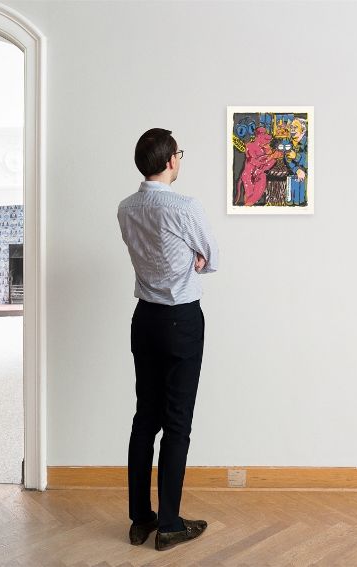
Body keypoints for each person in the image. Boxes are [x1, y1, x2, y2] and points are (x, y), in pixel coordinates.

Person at [117, 127, 219, 551]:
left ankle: (141, 519)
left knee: (145, 419)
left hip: (145, 319)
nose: (180, 159)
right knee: (177, 423)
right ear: (170, 160)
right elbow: (213, 256)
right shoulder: (185, 207)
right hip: (180, 320)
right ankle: (170, 524)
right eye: (179, 153)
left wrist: (192, 256)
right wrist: (197, 257)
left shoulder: (126, 208)